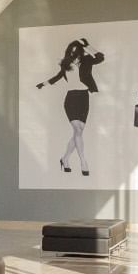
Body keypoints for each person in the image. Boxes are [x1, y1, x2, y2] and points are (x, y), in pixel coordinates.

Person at [37, 38, 103, 176]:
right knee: (78, 130)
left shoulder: (87, 60)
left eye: (76, 51)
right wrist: (43, 84)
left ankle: (65, 159)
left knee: (78, 133)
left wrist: (88, 45)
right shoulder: (66, 64)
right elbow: (58, 76)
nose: (74, 53)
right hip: (71, 99)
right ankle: (83, 161)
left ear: (80, 51)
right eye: (71, 51)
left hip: (84, 97)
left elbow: (100, 57)